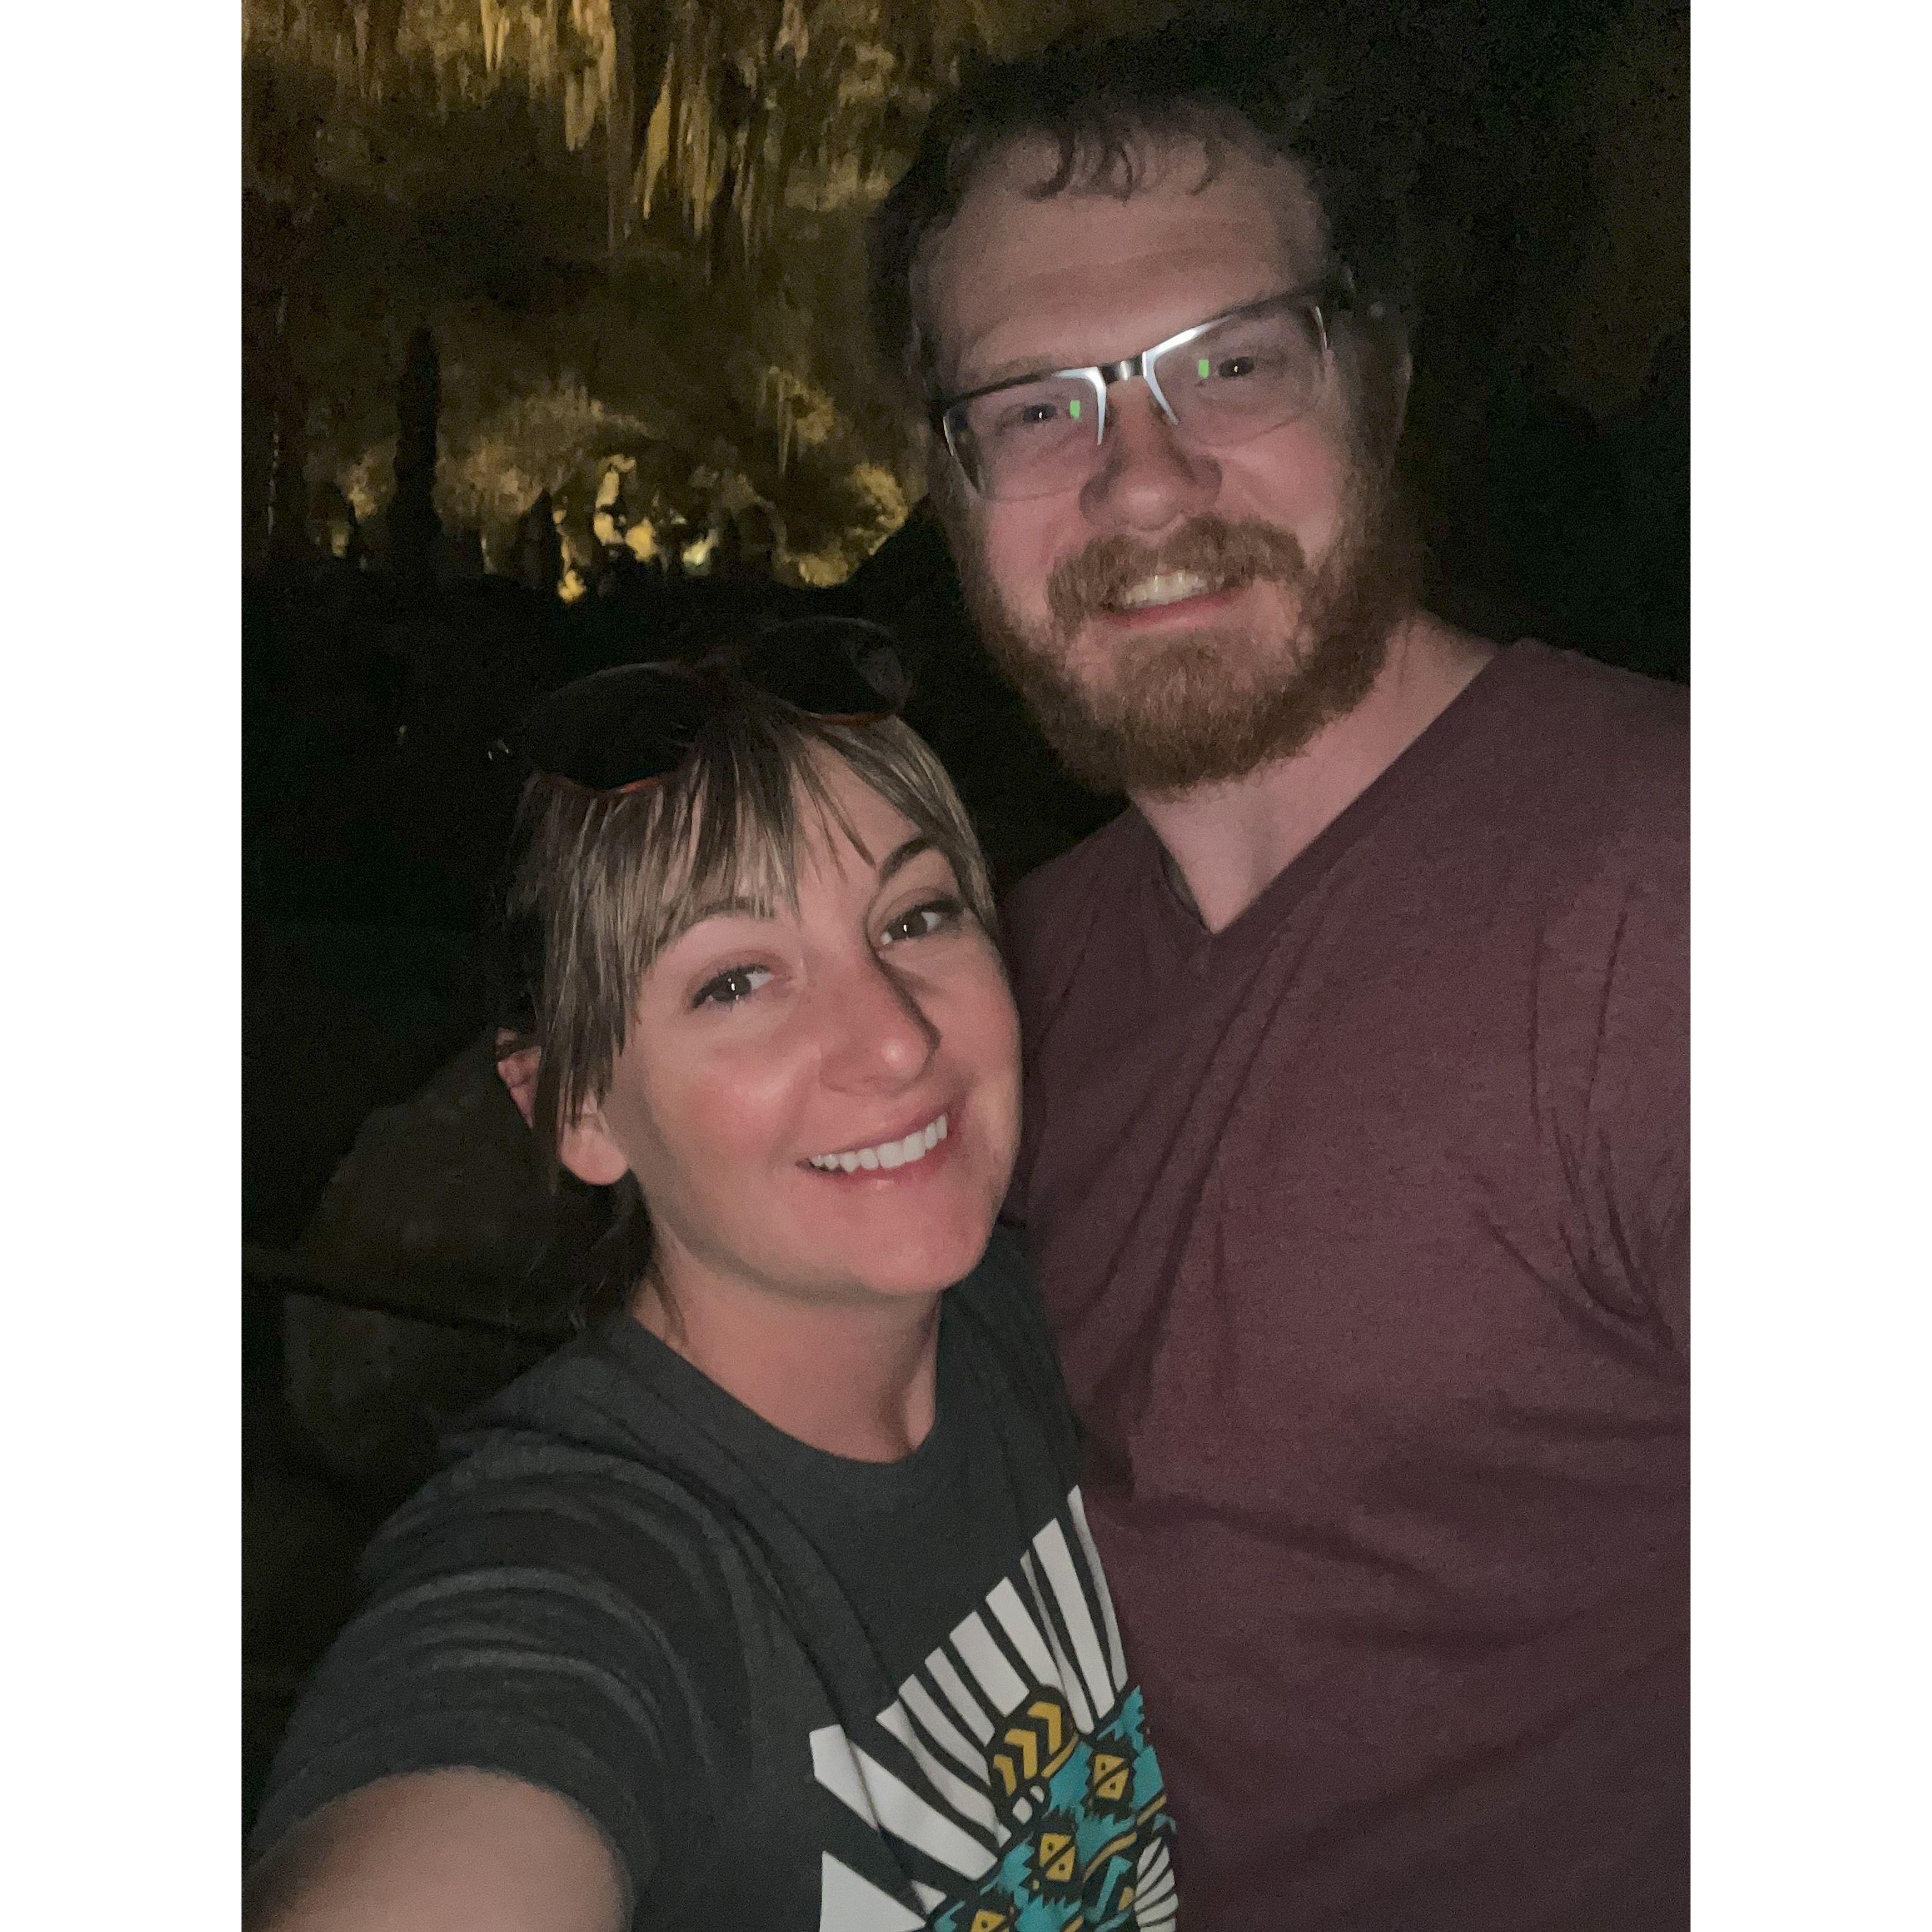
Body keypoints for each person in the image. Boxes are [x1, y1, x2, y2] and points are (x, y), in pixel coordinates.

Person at [865, 26, 1687, 1931]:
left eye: (1230, 364)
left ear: (1374, 383)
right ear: (952, 486)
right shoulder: (1003, 988)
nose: (1145, 484)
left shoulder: (1674, 899)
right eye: (1039, 406)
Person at [245, 624, 1181, 1931]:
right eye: (736, 980)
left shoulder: (1045, 1311)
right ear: (575, 1108)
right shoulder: (585, 1570)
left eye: (914, 915)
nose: (895, 1038)